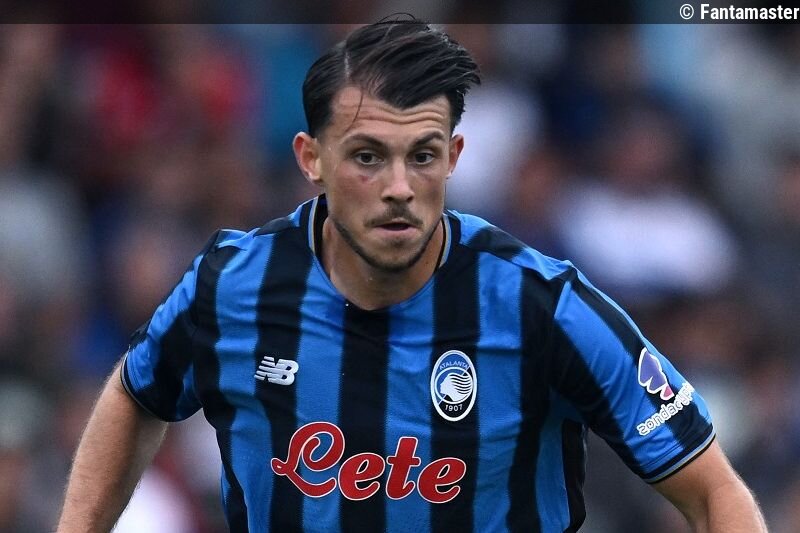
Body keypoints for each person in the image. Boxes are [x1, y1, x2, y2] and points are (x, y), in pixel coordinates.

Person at [57, 20, 767, 533]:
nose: (399, 187)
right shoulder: (233, 287)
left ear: (453, 157)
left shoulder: (539, 306)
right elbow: (135, 394)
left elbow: (714, 494)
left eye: (422, 155)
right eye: (368, 156)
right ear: (311, 158)